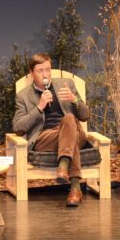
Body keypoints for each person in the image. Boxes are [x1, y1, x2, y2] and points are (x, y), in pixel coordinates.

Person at [13, 53, 90, 207]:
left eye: (48, 69)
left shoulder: (66, 84)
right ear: (31, 73)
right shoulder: (23, 96)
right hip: (46, 138)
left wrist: (74, 100)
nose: (45, 74)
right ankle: (75, 188)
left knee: (68, 118)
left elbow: (85, 115)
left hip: (73, 130)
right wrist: (39, 107)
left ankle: (63, 166)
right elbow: (18, 128)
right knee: (70, 138)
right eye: (40, 70)